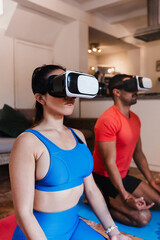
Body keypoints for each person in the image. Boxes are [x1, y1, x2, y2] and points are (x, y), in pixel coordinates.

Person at [9, 65, 131, 240]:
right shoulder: (28, 142)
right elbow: (23, 213)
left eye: (69, 87)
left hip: (74, 226)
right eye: (59, 87)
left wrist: (114, 232)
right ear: (40, 98)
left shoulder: (78, 135)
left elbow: (92, 191)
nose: (69, 96)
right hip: (39, 233)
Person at [92, 74, 160, 227]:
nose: (135, 91)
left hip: (123, 175)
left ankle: (114, 199)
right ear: (116, 92)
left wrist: (150, 180)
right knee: (143, 217)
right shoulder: (108, 120)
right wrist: (125, 195)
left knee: (158, 202)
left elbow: (138, 154)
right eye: (129, 87)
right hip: (103, 179)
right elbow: (109, 163)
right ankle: (98, 200)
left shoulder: (135, 118)